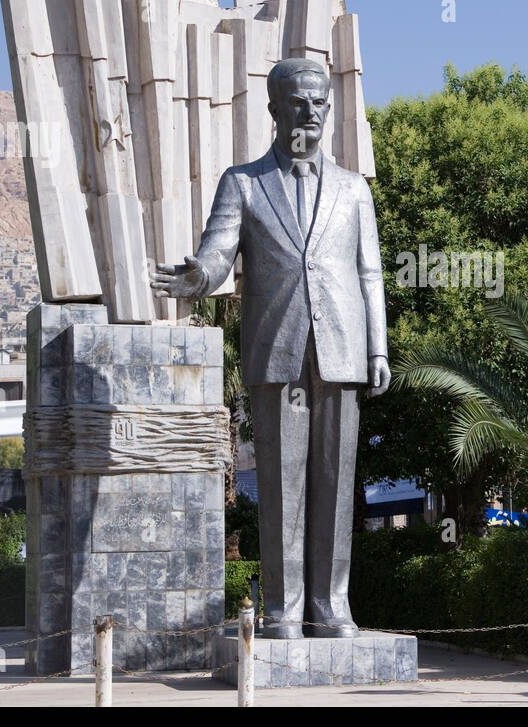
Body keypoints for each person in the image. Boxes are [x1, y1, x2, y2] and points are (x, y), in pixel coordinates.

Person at [151, 58, 388, 639]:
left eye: (320, 102)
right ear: (275, 109)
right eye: (299, 101)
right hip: (276, 348)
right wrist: (198, 278)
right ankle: (283, 609)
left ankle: (331, 607)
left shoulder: (354, 189)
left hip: (341, 349)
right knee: (281, 484)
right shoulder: (245, 183)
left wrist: (377, 350)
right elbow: (218, 252)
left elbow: (370, 274)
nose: (311, 111)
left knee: (335, 482)